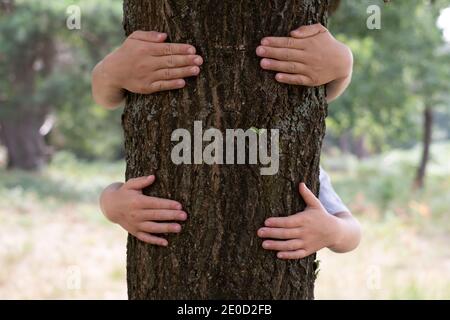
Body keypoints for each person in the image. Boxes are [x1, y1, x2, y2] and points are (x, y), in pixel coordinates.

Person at [93, 23, 361, 260]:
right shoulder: (167, 148)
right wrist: (114, 206)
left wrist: (332, 232)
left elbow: (351, 231)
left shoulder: (294, 161)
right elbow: (115, 189)